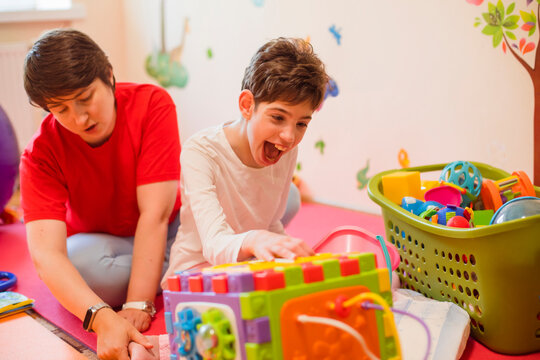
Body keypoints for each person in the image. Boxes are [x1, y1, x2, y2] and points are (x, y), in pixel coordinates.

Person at [128, 37, 329, 359]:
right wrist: (258, 240)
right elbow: (214, 243)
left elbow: (271, 221)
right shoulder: (201, 151)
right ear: (247, 105)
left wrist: (295, 256)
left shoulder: (285, 148)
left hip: (249, 265)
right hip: (197, 271)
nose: (289, 136)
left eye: (301, 123)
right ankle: (160, 350)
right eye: (278, 118)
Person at [20, 29, 181, 360]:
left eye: (85, 98)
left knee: (284, 202)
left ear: (108, 75)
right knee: (79, 265)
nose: (79, 118)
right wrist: (103, 317)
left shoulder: (152, 103)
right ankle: (182, 266)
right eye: (60, 109)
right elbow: (46, 255)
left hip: (171, 225)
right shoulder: (39, 153)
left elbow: (156, 214)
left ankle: (169, 265)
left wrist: (138, 302)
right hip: (107, 243)